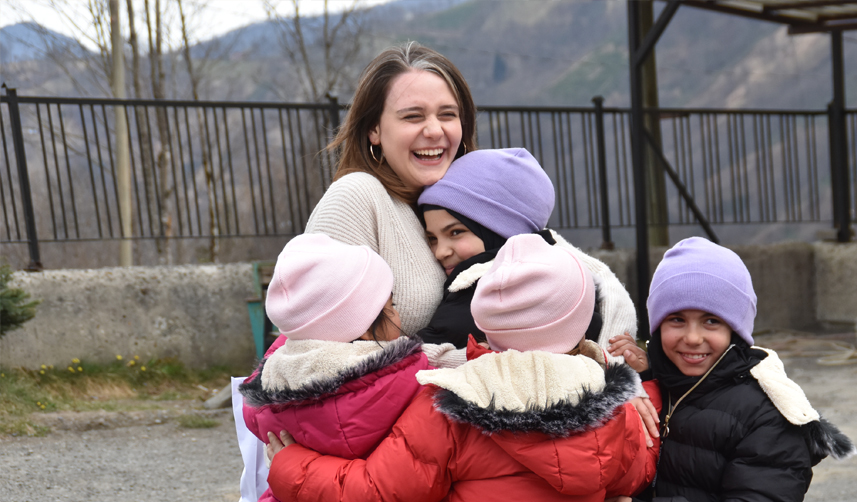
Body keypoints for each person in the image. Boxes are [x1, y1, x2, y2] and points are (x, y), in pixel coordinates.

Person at [264, 234, 660, 502]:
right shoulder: (611, 400)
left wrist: (293, 466)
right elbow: (636, 471)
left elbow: (378, 491)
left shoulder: (451, 400)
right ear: (580, 323)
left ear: (486, 323)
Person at [629, 237, 855, 502]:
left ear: (735, 331)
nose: (692, 338)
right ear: (656, 327)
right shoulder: (643, 387)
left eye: (711, 321)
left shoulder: (767, 415)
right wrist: (629, 383)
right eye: (676, 319)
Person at [302, 41, 476, 337]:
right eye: (413, 116)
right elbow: (321, 348)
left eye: (447, 114)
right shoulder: (356, 197)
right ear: (374, 129)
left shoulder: (476, 198)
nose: (435, 130)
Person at [239, 233, 431, 502]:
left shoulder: (273, 386)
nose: (398, 315)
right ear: (364, 327)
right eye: (391, 306)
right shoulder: (411, 380)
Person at [415, 147, 635, 357]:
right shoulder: (567, 274)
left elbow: (432, 345)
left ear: (500, 232)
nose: (440, 252)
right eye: (432, 238)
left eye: (455, 232)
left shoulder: (494, 292)